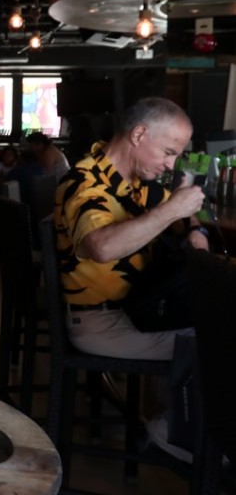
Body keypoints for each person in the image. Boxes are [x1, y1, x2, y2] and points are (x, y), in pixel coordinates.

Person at [53, 96, 207, 361]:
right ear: (138, 134)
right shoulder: (84, 182)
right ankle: (174, 403)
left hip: (142, 309)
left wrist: (196, 230)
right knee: (221, 341)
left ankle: (170, 401)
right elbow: (102, 247)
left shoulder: (139, 183)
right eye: (168, 152)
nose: (170, 165)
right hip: (100, 320)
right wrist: (172, 210)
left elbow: (186, 215)